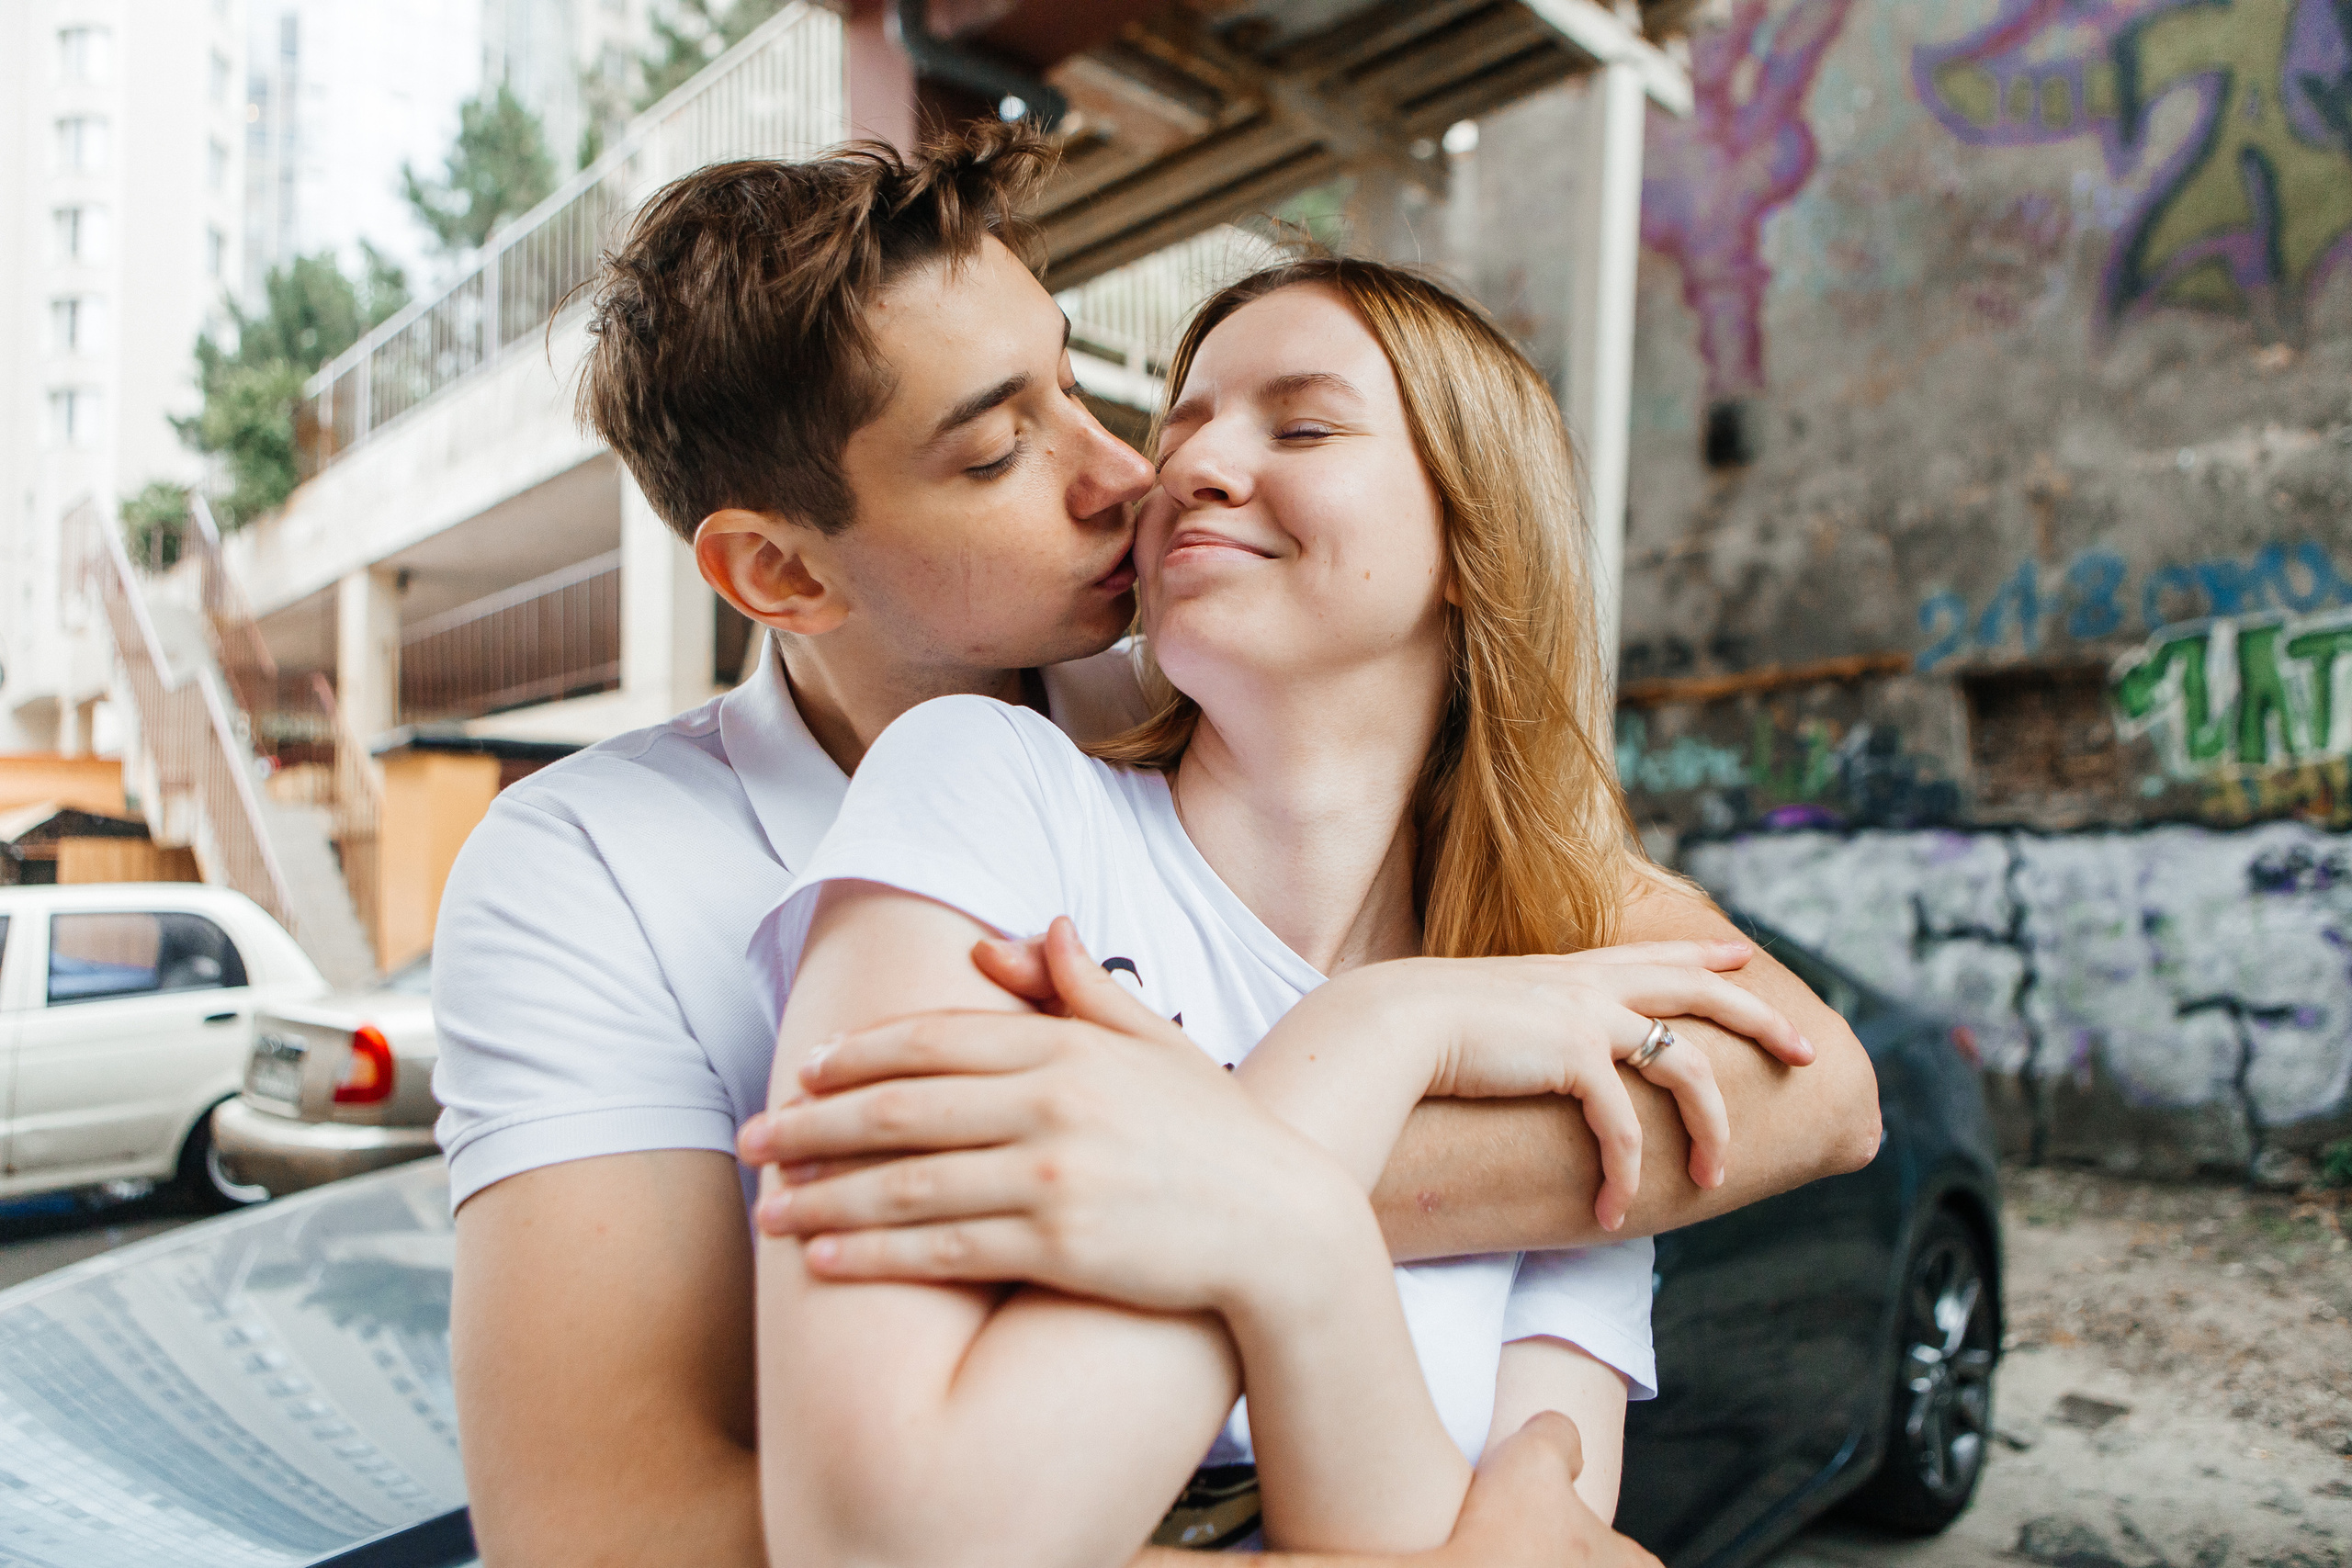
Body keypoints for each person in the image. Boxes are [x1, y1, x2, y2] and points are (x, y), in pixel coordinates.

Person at [433, 123, 1881, 1568]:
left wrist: (1238, 1184)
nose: (1136, 474)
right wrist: (1344, 1088)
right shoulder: (606, 864)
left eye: (1076, 385)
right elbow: (608, 1539)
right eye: (997, 449)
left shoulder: (1236, 706)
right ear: (779, 571)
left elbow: (1811, 1086)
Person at [746, 253, 1815, 1562]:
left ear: (1470, 545)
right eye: (1182, 426)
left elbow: (1520, 1544)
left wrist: (1300, 1255)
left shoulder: (1560, 1030)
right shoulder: (988, 792)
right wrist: (1377, 1038)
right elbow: (889, 1548)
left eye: (1302, 428)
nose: (1188, 467)